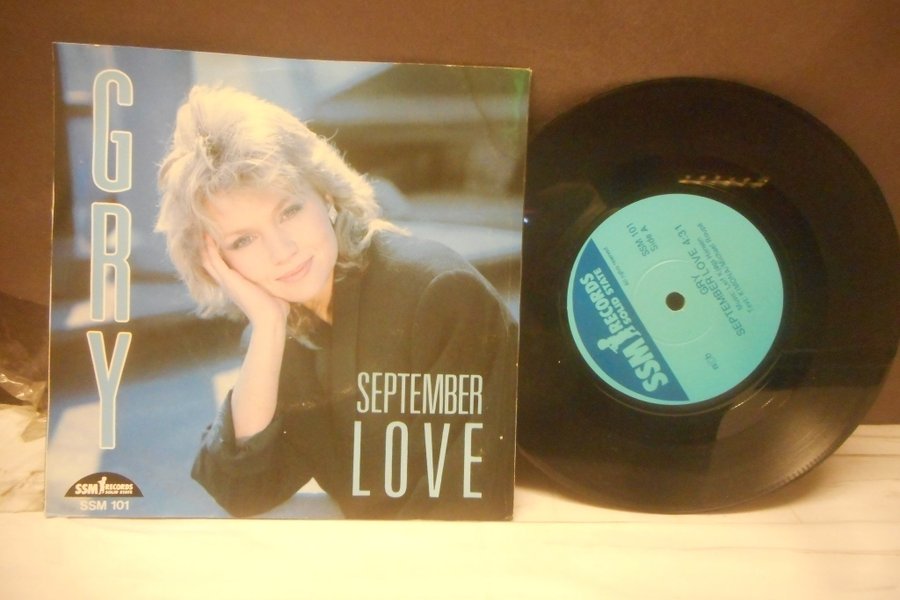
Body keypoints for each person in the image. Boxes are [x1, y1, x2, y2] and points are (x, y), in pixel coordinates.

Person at [156, 86, 517, 519]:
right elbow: (240, 490)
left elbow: (464, 506)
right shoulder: (278, 333)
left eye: (289, 211)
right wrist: (268, 329)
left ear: (325, 195)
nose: (282, 250)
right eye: (243, 240)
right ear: (217, 262)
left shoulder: (436, 293)